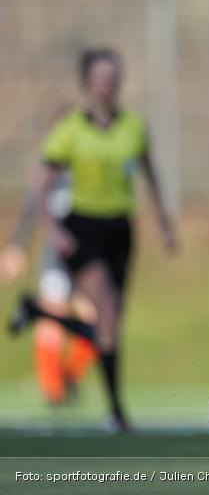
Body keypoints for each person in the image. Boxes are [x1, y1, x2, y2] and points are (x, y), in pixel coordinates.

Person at [19, 48, 177, 431]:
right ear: (87, 83)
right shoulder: (70, 128)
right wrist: (53, 229)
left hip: (119, 230)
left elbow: (149, 173)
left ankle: (38, 313)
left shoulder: (133, 127)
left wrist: (163, 222)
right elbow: (38, 184)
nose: (108, 85)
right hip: (81, 229)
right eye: (101, 78)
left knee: (110, 324)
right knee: (105, 314)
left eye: (114, 78)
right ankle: (117, 411)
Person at [0, 169, 97, 405]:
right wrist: (17, 246)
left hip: (88, 256)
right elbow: (33, 203)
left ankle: (69, 377)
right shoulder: (55, 167)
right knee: (53, 317)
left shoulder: (95, 169)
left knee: (95, 319)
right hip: (56, 257)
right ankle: (53, 390)